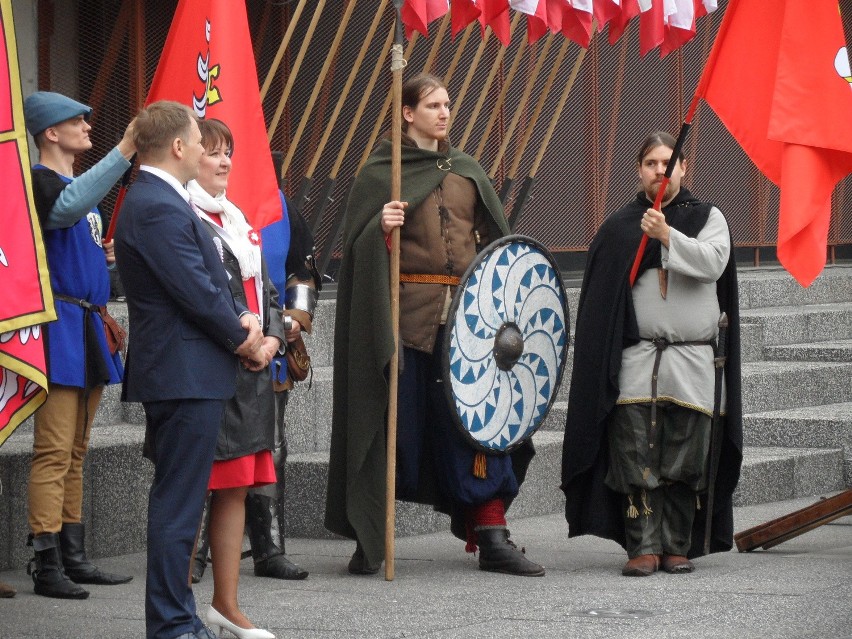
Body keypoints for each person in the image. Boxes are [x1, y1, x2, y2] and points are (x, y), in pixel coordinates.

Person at [325, 72, 544, 577]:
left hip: (470, 324)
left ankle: (491, 535)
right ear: (407, 113)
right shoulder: (383, 172)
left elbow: (500, 246)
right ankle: (371, 535)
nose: (444, 113)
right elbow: (356, 251)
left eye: (447, 104)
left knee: (478, 428)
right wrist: (380, 230)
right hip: (403, 320)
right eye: (432, 105)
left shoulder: (467, 170)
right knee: (390, 424)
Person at [114, 101, 266, 639]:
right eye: (200, 142)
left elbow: (206, 282)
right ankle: (173, 623)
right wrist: (243, 338)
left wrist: (242, 322)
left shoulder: (163, 198)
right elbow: (194, 291)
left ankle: (177, 619)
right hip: (183, 372)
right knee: (178, 505)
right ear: (178, 147)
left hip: (190, 370)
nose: (207, 152)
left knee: (180, 501)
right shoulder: (156, 203)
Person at [560, 131, 742, 577]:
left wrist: (667, 236)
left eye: (669, 163)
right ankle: (642, 545)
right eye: (651, 164)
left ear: (684, 168)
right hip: (637, 359)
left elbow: (712, 264)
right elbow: (603, 296)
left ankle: (676, 545)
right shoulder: (621, 227)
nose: (661, 171)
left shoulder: (708, 217)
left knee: (685, 454)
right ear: (640, 170)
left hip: (693, 361)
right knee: (635, 452)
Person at [23, 91, 135, 600]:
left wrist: (104, 262)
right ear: (51, 132)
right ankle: (46, 562)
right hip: (61, 327)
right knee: (54, 451)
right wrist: (125, 149)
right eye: (77, 121)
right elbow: (66, 210)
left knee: (77, 451)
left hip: (87, 324)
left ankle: (73, 555)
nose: (88, 126)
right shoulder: (40, 181)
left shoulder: (70, 184)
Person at [187, 118, 283, 639]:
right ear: (186, 155)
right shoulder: (184, 214)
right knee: (189, 490)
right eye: (213, 153)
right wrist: (243, 341)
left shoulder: (238, 218)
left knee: (235, 489)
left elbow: (265, 289)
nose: (225, 162)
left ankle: (226, 604)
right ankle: (178, 605)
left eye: (230, 153)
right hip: (208, 367)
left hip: (250, 371)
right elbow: (199, 293)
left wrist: (270, 339)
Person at [192, 193, 315, 585]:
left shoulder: (281, 203)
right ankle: (194, 554)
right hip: (214, 349)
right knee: (207, 450)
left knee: (270, 449)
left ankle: (270, 549)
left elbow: (302, 273)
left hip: (271, 348)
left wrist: (293, 317)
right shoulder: (193, 204)